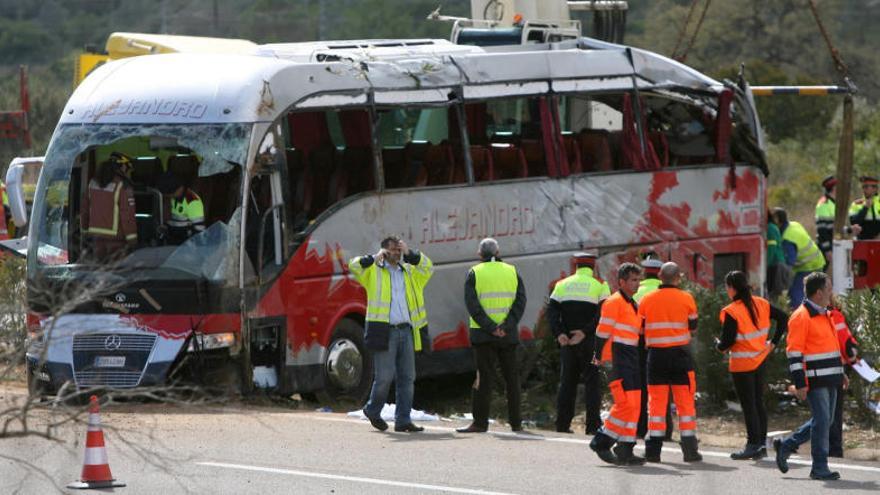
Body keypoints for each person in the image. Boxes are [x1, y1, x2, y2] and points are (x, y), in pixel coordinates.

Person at [349, 236, 433, 433]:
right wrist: (375, 257)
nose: (396, 253)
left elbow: (428, 267)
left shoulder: (410, 272)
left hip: (407, 330)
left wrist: (410, 253)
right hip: (384, 331)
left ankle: (403, 420)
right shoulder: (372, 272)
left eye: (398, 250)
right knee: (385, 377)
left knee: (407, 377)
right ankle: (373, 409)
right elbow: (353, 266)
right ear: (384, 252)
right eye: (391, 250)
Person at [774, 272, 847, 481]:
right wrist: (800, 384)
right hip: (815, 379)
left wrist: (841, 373)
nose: (831, 292)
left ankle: (787, 445)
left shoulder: (826, 313)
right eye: (829, 288)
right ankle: (820, 466)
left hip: (831, 377)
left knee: (826, 420)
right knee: (823, 421)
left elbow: (831, 347)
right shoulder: (801, 317)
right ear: (818, 293)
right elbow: (794, 353)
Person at [716, 271, 789, 460]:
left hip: (742, 365)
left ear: (732, 288)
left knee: (749, 406)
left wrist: (718, 345)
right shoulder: (761, 303)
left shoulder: (731, 311)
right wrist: (773, 343)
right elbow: (783, 318)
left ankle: (752, 444)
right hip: (760, 360)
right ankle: (761, 445)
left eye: (726, 287)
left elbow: (727, 343)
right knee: (758, 403)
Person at [457, 238, 527, 433]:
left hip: (483, 335)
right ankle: (516, 423)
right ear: (498, 252)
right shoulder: (512, 271)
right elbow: (520, 302)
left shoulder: (474, 273)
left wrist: (490, 327)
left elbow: (472, 305)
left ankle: (480, 423)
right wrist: (506, 325)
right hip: (508, 334)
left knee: (483, 379)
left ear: (480, 254)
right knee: (512, 379)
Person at [638, 262, 702, 463]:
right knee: (685, 402)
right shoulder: (686, 298)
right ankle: (690, 450)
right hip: (680, 356)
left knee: (656, 404)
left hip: (656, 356)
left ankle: (653, 451)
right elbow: (693, 327)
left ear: (659, 276)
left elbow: (639, 330)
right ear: (678, 278)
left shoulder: (647, 300)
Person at [545, 253, 610, 434]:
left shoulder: (562, 284)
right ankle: (592, 426)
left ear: (576, 265)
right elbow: (604, 314)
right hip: (590, 342)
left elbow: (551, 312)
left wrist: (560, 334)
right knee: (592, 383)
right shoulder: (601, 285)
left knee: (567, 383)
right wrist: (584, 332)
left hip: (567, 343)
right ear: (593, 266)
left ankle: (562, 425)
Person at [589, 262, 646, 466]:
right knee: (625, 404)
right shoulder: (614, 302)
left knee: (635, 404)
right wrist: (598, 356)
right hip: (616, 358)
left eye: (639, 280)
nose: (637, 284)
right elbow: (602, 332)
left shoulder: (633, 305)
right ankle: (602, 442)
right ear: (621, 282)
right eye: (633, 280)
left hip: (629, 357)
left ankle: (625, 448)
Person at [633, 258, 672, 440]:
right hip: (667, 344)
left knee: (641, 387)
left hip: (640, 344)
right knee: (664, 390)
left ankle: (641, 428)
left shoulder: (636, 293)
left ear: (643, 272)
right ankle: (666, 429)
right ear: (659, 274)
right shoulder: (669, 292)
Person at [81, 152, 137, 261]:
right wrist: (133, 241)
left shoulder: (92, 183)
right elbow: (127, 217)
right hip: (116, 240)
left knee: (101, 272)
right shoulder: (123, 186)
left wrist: (84, 231)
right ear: (122, 166)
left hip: (96, 238)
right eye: (127, 168)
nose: (128, 172)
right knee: (116, 273)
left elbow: (85, 210)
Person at [772, 207, 825, 309]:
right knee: (810, 296)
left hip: (808, 267)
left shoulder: (788, 239)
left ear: (777, 221)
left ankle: (799, 317)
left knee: (795, 294)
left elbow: (789, 263)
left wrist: (780, 284)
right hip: (817, 262)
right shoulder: (793, 224)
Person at [828, 299, 860, 458]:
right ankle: (834, 448)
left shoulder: (811, 316)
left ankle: (826, 446)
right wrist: (854, 360)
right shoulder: (836, 315)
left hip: (819, 368)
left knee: (824, 410)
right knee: (835, 410)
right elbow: (847, 344)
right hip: (837, 367)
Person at [156, 171, 206, 244]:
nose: (169, 196)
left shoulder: (193, 202)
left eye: (171, 194)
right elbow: (175, 218)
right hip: (174, 236)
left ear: (180, 188)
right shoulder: (174, 197)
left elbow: (199, 229)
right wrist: (165, 226)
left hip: (186, 241)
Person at [766, 211, 789, 301]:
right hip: (778, 265)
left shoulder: (770, 228)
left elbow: (771, 249)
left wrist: (765, 267)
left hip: (775, 266)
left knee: (774, 297)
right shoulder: (773, 227)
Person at [848, 175, 880, 240]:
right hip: (862, 241)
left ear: (875, 188)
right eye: (864, 187)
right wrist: (865, 208)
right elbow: (854, 222)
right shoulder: (856, 203)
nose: (864, 189)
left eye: (866, 187)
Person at [815, 175, 836, 261]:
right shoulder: (824, 204)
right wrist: (827, 250)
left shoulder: (833, 202)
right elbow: (822, 229)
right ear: (834, 188)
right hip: (826, 246)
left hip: (833, 244)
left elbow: (834, 226)